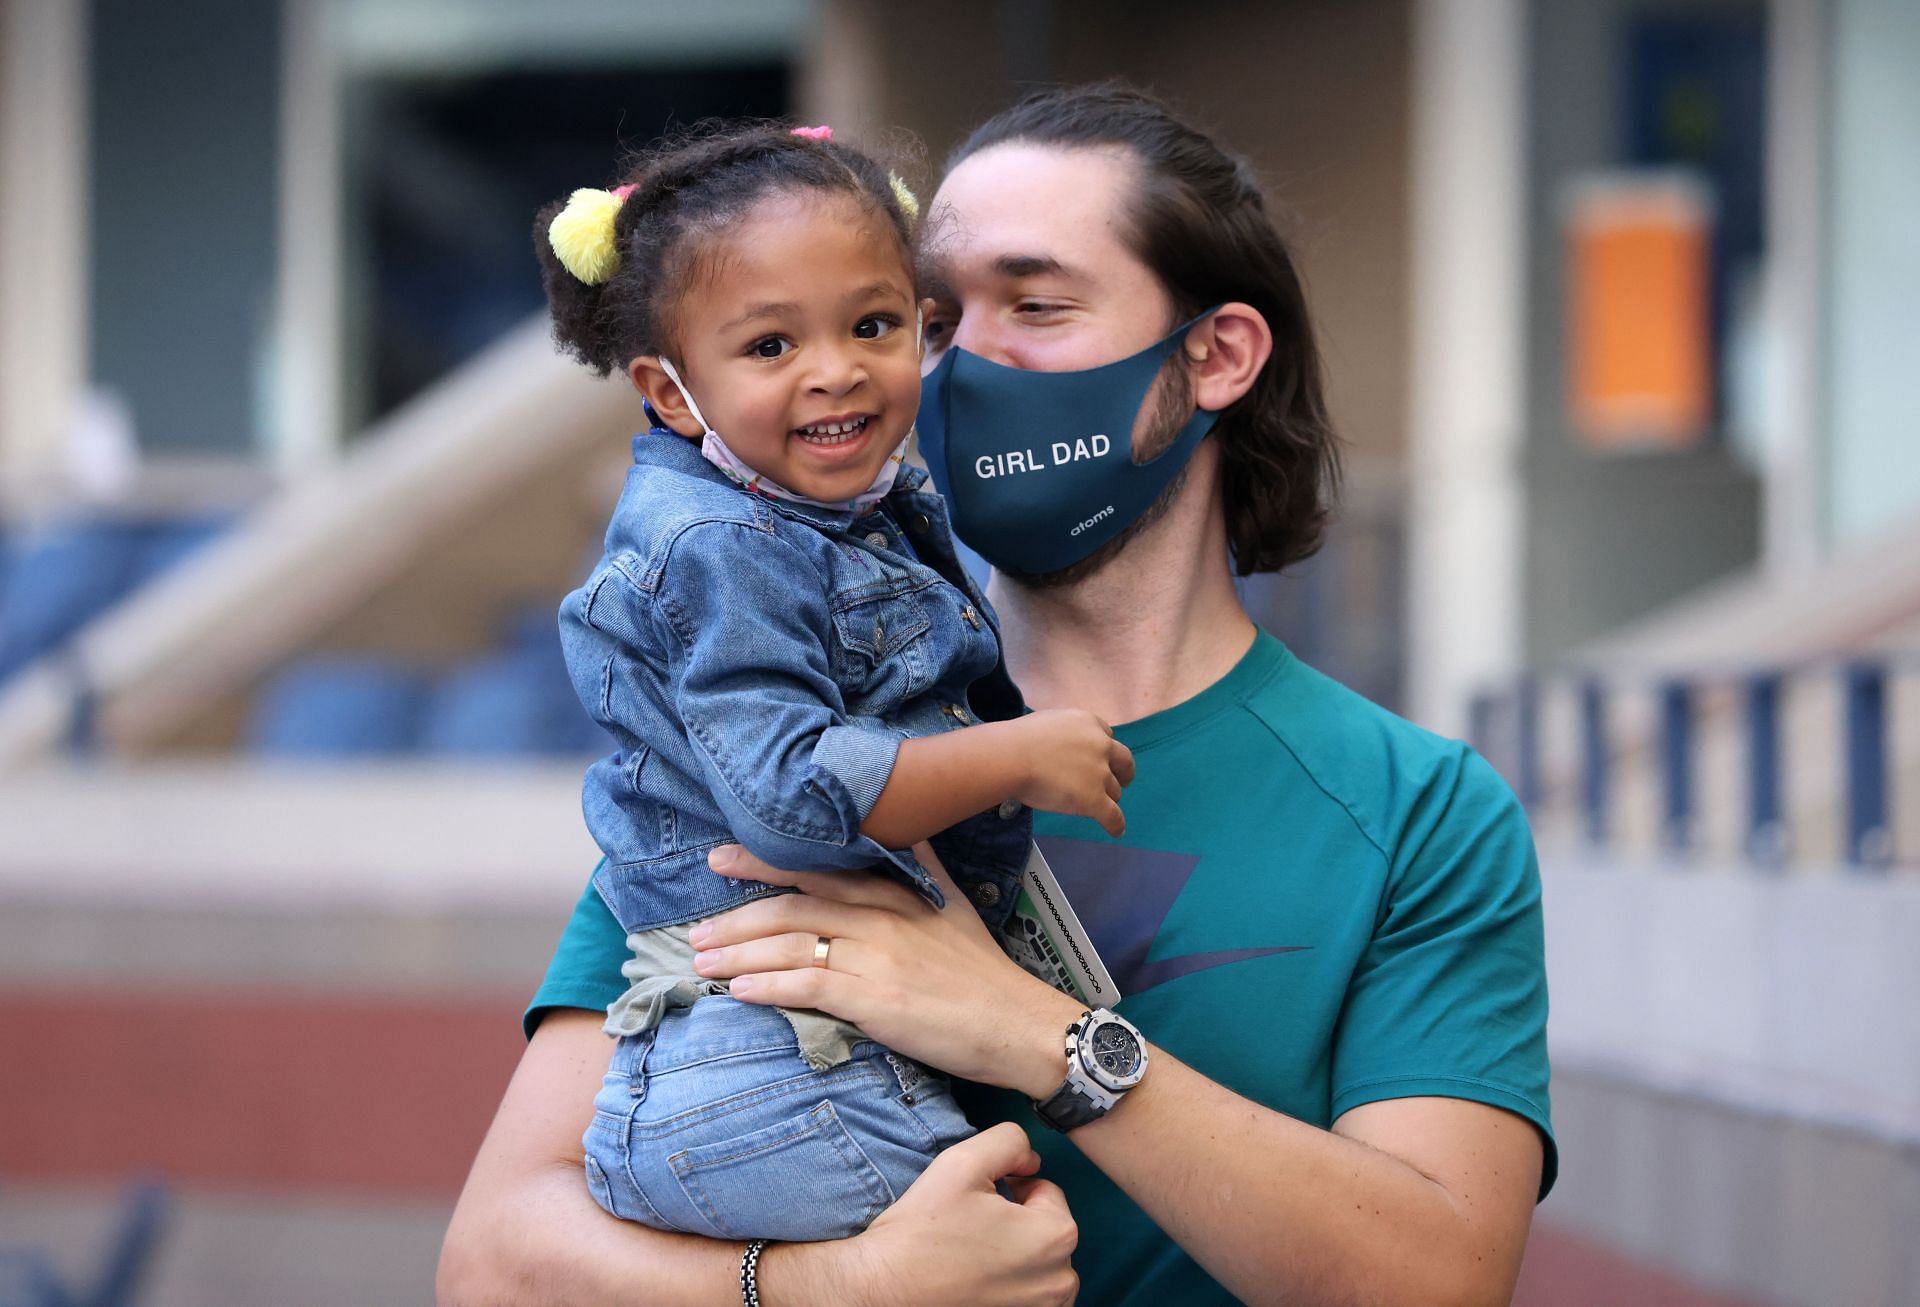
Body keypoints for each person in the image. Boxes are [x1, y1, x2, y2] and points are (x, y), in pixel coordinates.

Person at [441, 83, 1555, 1307]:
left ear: (1218, 354)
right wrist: (839, 1282)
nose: (958, 357)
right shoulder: (741, 740)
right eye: (932, 314)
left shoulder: (1419, 810)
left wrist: (1035, 1034)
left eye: (1034, 303)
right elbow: (496, 1265)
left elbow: (1439, 1278)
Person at [532, 122, 1135, 1244]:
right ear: (669, 393)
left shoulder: (838, 511)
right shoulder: (718, 543)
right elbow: (795, 798)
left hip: (793, 1050)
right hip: (781, 1067)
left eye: (874, 323)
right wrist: (1018, 752)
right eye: (769, 346)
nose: (837, 367)